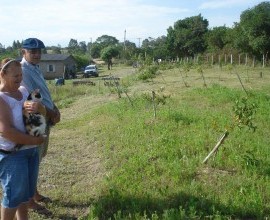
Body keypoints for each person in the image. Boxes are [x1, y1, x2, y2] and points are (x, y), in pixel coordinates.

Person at [0, 58, 46, 220]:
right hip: (12, 155)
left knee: (25, 194)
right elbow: (6, 132)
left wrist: (39, 107)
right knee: (13, 196)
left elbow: (39, 114)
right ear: (3, 75)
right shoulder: (1, 98)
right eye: (15, 76)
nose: (19, 78)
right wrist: (36, 141)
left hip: (30, 152)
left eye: (20, 75)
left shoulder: (24, 91)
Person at [21, 38, 61, 212]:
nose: (37, 54)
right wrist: (51, 112)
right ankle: (29, 201)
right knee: (33, 159)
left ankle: (34, 193)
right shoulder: (23, 69)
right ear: (24, 52)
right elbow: (32, 98)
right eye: (32, 52)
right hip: (35, 119)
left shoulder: (35, 68)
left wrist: (55, 108)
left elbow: (43, 92)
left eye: (39, 51)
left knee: (38, 158)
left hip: (45, 117)